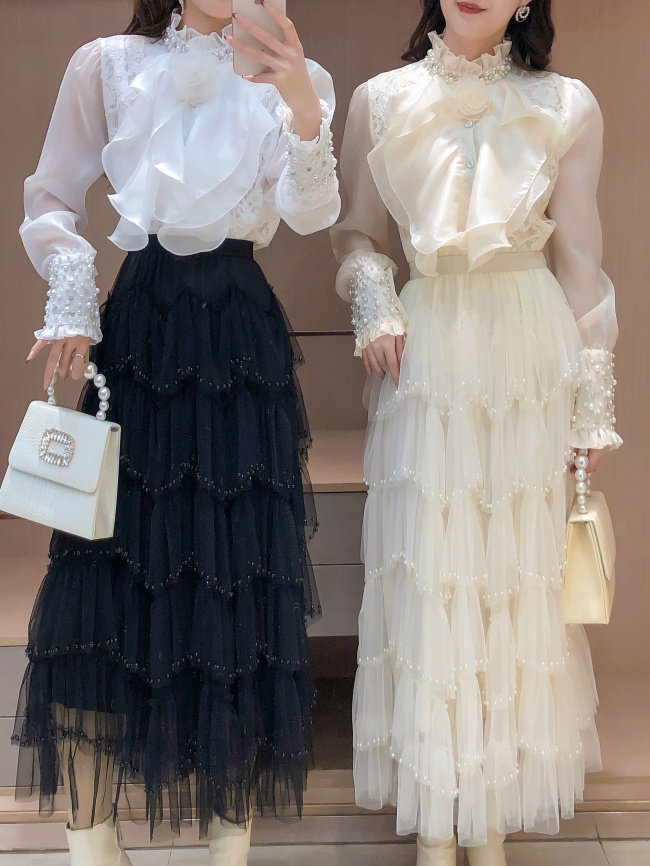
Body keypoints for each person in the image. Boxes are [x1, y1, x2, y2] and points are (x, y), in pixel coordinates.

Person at [14, 0, 340, 863]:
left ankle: (230, 843)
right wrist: (72, 292)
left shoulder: (301, 76)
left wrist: (301, 102)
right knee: (105, 565)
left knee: (240, 570)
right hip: (144, 324)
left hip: (239, 332)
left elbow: (310, 214)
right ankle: (92, 838)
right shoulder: (108, 63)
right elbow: (50, 194)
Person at [331, 1, 621, 864]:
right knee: (430, 571)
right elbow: (355, 232)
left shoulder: (566, 103)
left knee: (513, 577)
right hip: (428, 348)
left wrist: (593, 402)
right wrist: (374, 299)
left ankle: (489, 823)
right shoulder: (381, 99)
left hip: (527, 346)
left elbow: (582, 266)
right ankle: (436, 824)